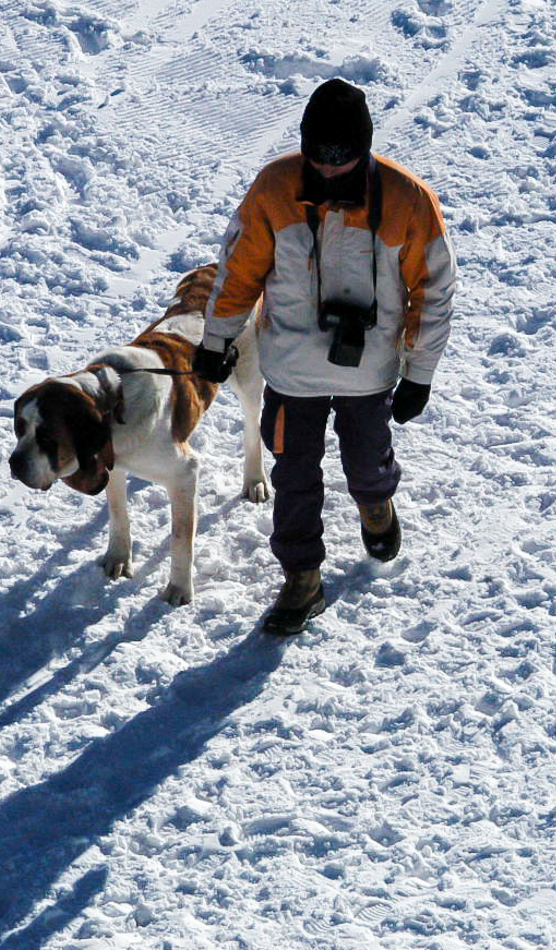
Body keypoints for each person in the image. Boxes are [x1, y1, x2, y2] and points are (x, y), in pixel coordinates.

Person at [193, 78, 457, 635]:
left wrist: (420, 373)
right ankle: (302, 577)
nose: (331, 169)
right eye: (319, 157)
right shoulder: (274, 189)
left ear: (364, 148)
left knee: (366, 461)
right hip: (289, 367)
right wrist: (217, 341)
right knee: (293, 473)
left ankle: (376, 504)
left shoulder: (408, 199)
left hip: (370, 370)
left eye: (344, 158)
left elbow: (433, 288)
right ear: (305, 146)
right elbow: (238, 271)